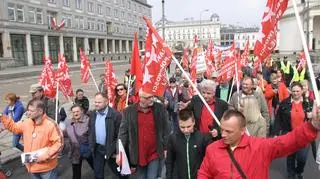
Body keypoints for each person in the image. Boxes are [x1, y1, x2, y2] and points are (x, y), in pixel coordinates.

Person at [197, 108, 320, 179]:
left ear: (242, 130)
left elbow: (289, 141)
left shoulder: (259, 147)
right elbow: (204, 174)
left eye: (228, 131)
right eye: (221, 129)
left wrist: (312, 126)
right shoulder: (212, 149)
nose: (223, 135)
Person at [0, 98, 63, 179]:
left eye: (31, 111)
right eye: (28, 110)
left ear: (40, 111)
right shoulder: (27, 122)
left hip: (47, 169)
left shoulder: (51, 124)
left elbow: (59, 144)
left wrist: (43, 156)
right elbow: (14, 127)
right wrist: (2, 116)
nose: (28, 113)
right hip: (32, 168)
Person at [117, 90, 170, 179]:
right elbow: (122, 134)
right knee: (142, 177)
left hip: (155, 153)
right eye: (147, 98)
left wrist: (166, 147)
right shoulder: (129, 111)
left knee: (152, 177)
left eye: (152, 97)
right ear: (140, 98)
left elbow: (166, 129)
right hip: (138, 154)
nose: (151, 99)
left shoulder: (160, 108)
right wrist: (119, 153)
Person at [275, 82, 314, 179]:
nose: (295, 93)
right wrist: (276, 133)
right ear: (290, 91)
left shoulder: (308, 102)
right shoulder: (285, 103)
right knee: (290, 156)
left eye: (298, 91)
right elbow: (278, 118)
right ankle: (291, 174)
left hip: (304, 136)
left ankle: (299, 171)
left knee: (302, 158)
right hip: (290, 135)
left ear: (302, 91)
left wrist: (312, 116)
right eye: (293, 91)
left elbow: (317, 119)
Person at [166, 108, 211, 179]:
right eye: (182, 127)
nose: (186, 130)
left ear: (194, 122)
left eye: (188, 126)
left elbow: (208, 161)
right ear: (178, 123)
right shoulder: (173, 138)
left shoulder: (202, 138)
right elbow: (169, 160)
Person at [88, 92, 122, 179]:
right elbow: (91, 130)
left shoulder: (116, 115)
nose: (96, 104)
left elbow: (120, 135)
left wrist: (117, 152)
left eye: (99, 102)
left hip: (111, 149)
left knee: (119, 172)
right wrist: (91, 143)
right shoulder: (93, 114)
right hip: (97, 149)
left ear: (106, 102)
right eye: (95, 102)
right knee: (98, 174)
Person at [65, 104, 93, 179]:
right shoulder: (68, 122)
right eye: (73, 112)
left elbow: (94, 136)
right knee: (76, 174)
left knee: (97, 169)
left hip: (87, 150)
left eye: (77, 111)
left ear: (82, 111)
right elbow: (66, 133)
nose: (76, 113)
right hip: (75, 151)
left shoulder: (88, 121)